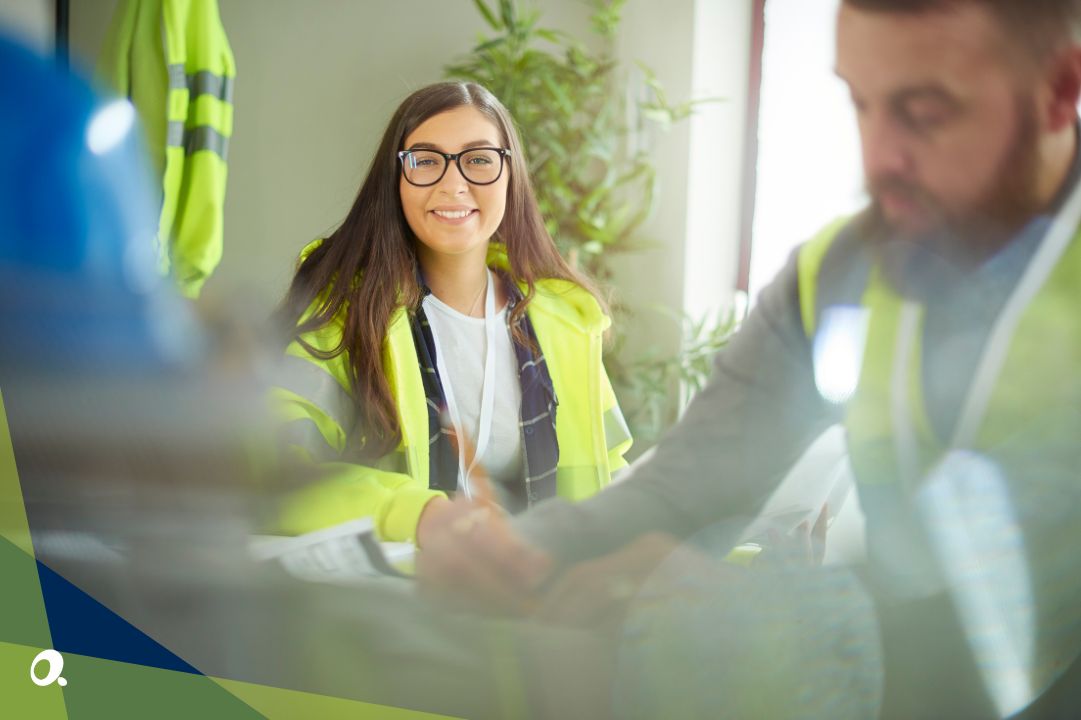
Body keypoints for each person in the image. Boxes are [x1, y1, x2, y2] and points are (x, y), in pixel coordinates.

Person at [417, 1, 1081, 716]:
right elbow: (687, 486)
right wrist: (521, 549)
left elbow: (1014, 600)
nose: (879, 158)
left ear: (1058, 91)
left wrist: (741, 608)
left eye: (923, 112)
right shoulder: (838, 272)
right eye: (860, 104)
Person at [269, 81, 632, 550]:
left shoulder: (565, 324)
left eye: (479, 159)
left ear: (510, 175)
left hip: (540, 592)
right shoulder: (345, 310)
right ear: (396, 179)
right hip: (397, 601)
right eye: (426, 160)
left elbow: (612, 474)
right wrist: (417, 515)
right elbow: (272, 469)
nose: (453, 184)